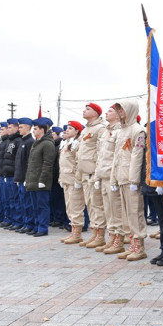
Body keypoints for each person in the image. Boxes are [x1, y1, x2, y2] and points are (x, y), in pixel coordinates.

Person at [110, 99, 148, 261]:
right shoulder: (121, 131)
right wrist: (113, 179)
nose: (120, 113)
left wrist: (134, 180)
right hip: (121, 177)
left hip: (131, 179)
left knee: (135, 212)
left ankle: (139, 246)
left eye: (122, 110)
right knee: (126, 213)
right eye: (118, 110)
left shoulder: (138, 130)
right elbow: (116, 158)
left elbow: (137, 156)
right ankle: (132, 243)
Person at [95, 106, 127, 254]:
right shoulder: (107, 132)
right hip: (103, 175)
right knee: (108, 210)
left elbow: (117, 158)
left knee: (116, 210)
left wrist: (114, 178)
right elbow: (100, 156)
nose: (106, 113)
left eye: (110, 111)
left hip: (112, 176)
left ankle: (119, 240)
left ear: (119, 115)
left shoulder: (120, 131)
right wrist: (97, 176)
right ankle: (111, 237)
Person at [76, 103, 107, 248]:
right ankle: (95, 234)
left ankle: (100, 236)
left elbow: (101, 152)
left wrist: (97, 174)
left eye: (88, 109)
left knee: (97, 205)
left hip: (93, 172)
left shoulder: (100, 129)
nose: (84, 111)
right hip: (84, 172)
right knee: (90, 205)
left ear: (96, 112)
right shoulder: (85, 129)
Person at [26, 118, 56, 236]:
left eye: (36, 129)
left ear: (42, 130)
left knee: (42, 206)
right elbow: (31, 164)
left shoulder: (47, 143)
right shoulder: (37, 143)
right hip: (33, 180)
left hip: (41, 181)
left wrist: (43, 180)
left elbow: (47, 164)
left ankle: (43, 228)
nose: (34, 131)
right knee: (35, 206)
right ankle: (36, 226)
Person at [59, 121, 87, 244]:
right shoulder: (67, 143)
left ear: (77, 131)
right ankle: (73, 232)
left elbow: (78, 163)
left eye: (71, 128)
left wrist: (77, 179)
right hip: (65, 179)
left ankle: (77, 233)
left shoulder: (78, 143)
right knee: (69, 207)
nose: (67, 130)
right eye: (67, 128)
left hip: (73, 179)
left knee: (76, 207)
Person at [13, 118, 35, 233]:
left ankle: (29, 224)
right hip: (20, 177)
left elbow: (28, 163)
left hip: (25, 178)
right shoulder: (22, 141)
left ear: (27, 127)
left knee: (27, 203)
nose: (19, 129)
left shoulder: (30, 142)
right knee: (22, 202)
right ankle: (25, 223)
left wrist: (27, 178)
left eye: (21, 127)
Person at [0, 118, 21, 229]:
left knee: (15, 200)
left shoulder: (18, 141)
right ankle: (11, 219)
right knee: (9, 199)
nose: (8, 129)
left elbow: (18, 161)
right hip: (7, 174)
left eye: (10, 127)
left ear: (16, 128)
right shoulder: (10, 141)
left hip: (13, 175)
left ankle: (17, 221)